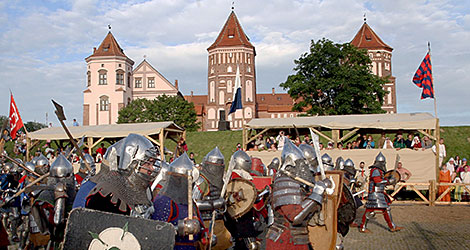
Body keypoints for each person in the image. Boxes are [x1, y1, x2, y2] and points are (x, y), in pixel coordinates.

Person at [266, 140, 327, 249]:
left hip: (297, 238)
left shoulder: (299, 183)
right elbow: (295, 217)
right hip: (285, 240)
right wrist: (317, 194)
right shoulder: (285, 182)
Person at [85, 134, 158, 218]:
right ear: (132, 163)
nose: (151, 168)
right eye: (147, 163)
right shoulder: (104, 195)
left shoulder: (144, 190)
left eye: (153, 163)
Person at [152, 153, 204, 249]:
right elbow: (156, 231)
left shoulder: (190, 203)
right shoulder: (163, 201)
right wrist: (181, 227)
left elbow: (201, 229)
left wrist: (204, 235)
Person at [192, 147, 232, 249]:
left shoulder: (221, 182)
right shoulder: (201, 181)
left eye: (218, 167)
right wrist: (214, 204)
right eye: (214, 167)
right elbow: (193, 203)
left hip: (219, 221)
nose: (216, 170)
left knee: (225, 243)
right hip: (204, 222)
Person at [359, 152, 403, 233]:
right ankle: (363, 227)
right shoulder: (375, 170)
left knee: (385, 209)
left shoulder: (378, 170)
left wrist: (388, 179)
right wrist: (388, 181)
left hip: (379, 193)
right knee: (370, 211)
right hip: (375, 194)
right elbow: (377, 182)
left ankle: (392, 226)